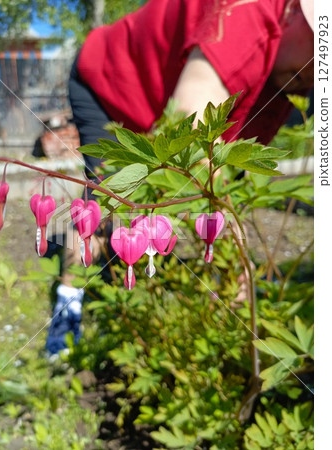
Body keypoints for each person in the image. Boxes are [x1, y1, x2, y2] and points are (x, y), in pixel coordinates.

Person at [45, 0, 314, 354]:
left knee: (138, 214)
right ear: (296, 12)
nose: (318, 73)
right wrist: (239, 260)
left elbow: (230, 166)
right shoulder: (246, 14)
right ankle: (68, 304)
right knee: (104, 204)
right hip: (110, 84)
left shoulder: (291, 74)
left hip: (161, 107)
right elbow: (192, 133)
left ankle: (127, 276)